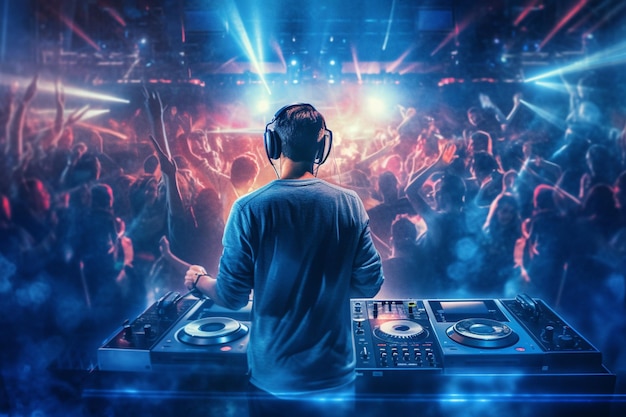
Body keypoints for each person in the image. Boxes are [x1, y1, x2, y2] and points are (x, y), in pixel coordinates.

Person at [183, 103, 384, 417]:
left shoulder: (248, 209)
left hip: (273, 380)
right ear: (322, 147)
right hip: (335, 378)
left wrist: (197, 280)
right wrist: (325, 294)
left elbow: (231, 296)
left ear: (272, 145)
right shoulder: (349, 204)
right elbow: (370, 285)